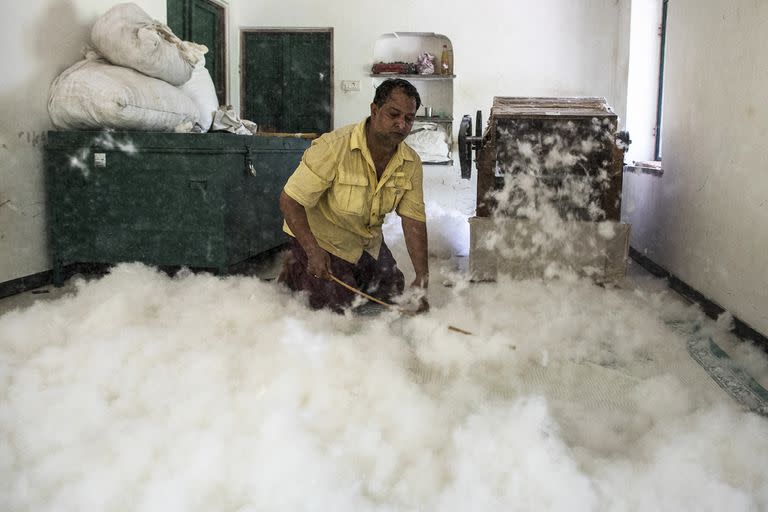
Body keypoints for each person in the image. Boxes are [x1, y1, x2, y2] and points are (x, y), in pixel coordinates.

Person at [278, 78, 429, 313]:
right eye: (394, 114)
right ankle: (296, 268)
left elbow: (413, 220)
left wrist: (422, 276)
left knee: (392, 292)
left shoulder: (410, 163)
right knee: (340, 307)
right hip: (323, 240)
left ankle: (344, 272)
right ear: (374, 110)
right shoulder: (334, 147)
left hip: (365, 242)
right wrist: (312, 250)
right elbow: (290, 200)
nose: (401, 124)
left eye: (408, 119)